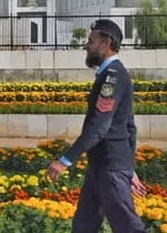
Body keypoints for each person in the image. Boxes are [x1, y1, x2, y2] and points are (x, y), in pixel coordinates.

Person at [46, 19, 147, 233]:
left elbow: (99, 127)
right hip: (102, 166)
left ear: (106, 43)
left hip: (110, 166)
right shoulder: (108, 75)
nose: (86, 45)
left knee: (127, 226)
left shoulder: (113, 76)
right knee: (84, 224)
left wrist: (65, 160)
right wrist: (128, 166)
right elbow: (129, 126)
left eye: (91, 41)